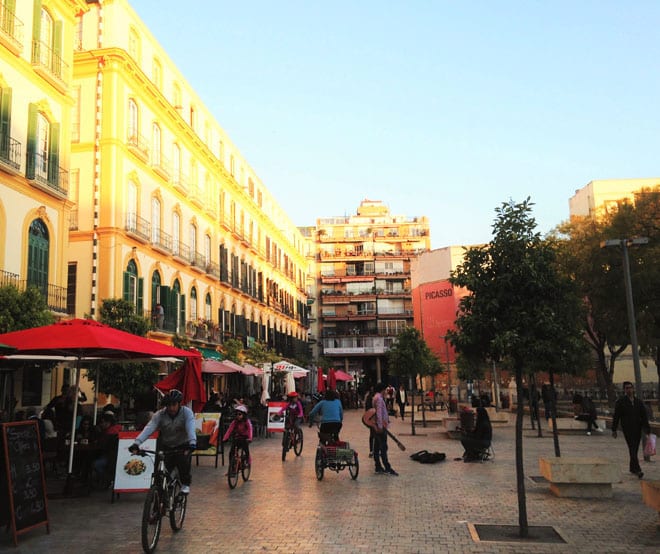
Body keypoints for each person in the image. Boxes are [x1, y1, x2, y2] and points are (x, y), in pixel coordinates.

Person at [129, 389, 197, 494]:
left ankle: (185, 485)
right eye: (168, 405)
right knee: (159, 472)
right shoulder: (160, 415)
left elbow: (190, 427)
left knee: (183, 463)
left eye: (174, 404)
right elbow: (149, 428)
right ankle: (158, 496)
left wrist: (192, 442)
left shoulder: (186, 413)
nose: (171, 408)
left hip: (182, 445)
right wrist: (137, 443)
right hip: (166, 445)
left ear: (179, 404)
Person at [612, 381, 651, 479]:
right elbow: (616, 416)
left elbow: (644, 416)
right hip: (627, 429)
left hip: (637, 428)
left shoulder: (638, 402)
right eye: (627, 388)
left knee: (635, 448)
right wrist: (614, 429)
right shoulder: (621, 402)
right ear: (624, 390)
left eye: (630, 387)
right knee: (632, 448)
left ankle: (632, 467)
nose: (629, 390)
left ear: (633, 389)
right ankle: (638, 470)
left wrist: (647, 428)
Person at [372, 382, 398, 476]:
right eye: (385, 390)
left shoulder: (375, 397)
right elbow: (379, 413)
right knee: (383, 447)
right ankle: (387, 467)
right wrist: (380, 426)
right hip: (381, 427)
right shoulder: (379, 399)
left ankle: (378, 466)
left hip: (378, 425)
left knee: (377, 448)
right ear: (382, 389)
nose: (386, 391)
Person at [91, 411, 122, 485]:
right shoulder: (117, 429)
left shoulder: (109, 432)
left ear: (108, 422)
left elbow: (102, 445)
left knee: (95, 464)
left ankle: (106, 479)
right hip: (115, 456)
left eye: (102, 422)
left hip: (111, 457)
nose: (101, 424)